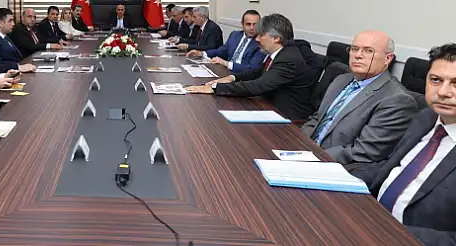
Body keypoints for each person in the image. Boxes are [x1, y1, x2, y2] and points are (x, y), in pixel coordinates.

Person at [351, 43, 456, 245]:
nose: (443, 92)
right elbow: (391, 167)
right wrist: (339, 178)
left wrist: (389, 231)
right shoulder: (425, 118)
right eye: (435, 80)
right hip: (366, 220)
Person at [302, 31, 418, 166]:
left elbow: (363, 151)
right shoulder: (341, 79)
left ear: (388, 58)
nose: (358, 55)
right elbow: (317, 119)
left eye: (368, 51)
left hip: (335, 165)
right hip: (305, 152)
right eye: (354, 49)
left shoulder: (397, 99)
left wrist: (314, 157)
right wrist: (298, 143)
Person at [186, 13, 314, 120]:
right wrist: (231, 78)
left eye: (261, 35)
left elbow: (258, 85)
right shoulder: (280, 53)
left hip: (287, 119)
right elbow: (256, 72)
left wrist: (215, 87)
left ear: (276, 38)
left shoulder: (288, 59)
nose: (257, 39)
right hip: (268, 106)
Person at [187, 10, 265, 73]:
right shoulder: (235, 35)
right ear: (242, 24)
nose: (252, 28)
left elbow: (252, 68)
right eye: (248, 24)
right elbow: (221, 51)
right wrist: (202, 53)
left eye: (255, 24)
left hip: (243, 77)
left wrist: (226, 63)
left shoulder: (261, 42)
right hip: (226, 71)